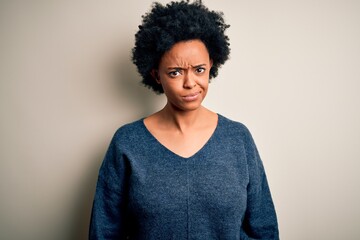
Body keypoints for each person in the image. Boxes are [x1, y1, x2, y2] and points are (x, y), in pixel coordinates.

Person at [89, 1, 279, 239]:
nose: (190, 83)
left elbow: (264, 228)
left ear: (211, 65)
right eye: (175, 72)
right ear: (156, 75)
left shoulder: (238, 138)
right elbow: (104, 231)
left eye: (199, 69)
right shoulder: (127, 142)